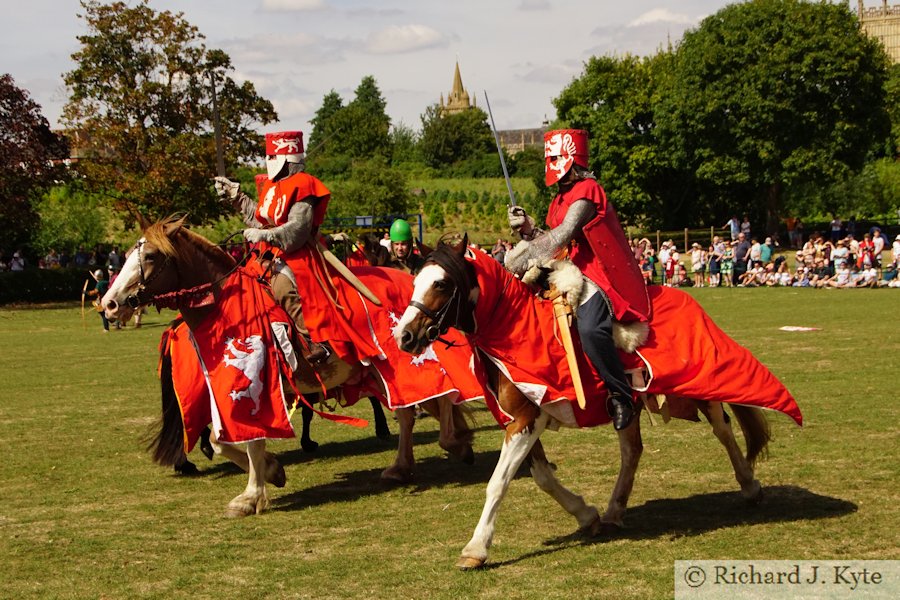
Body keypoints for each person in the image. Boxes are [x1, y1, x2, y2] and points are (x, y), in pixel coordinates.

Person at [505, 129, 650, 431]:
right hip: (570, 267)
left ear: (572, 158)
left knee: (590, 327)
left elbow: (565, 234)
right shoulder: (559, 198)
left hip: (599, 272)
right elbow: (555, 242)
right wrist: (529, 230)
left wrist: (526, 253)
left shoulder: (588, 190)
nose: (551, 164)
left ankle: (621, 395)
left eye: (555, 158)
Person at [214, 129, 333, 363]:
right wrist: (236, 196)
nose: (268, 162)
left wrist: (265, 235)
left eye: (271, 157)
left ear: (285, 158)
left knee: (282, 288)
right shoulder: (272, 185)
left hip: (297, 255)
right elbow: (260, 218)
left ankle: (315, 340)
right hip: (265, 256)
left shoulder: (304, 185)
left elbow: (298, 229)